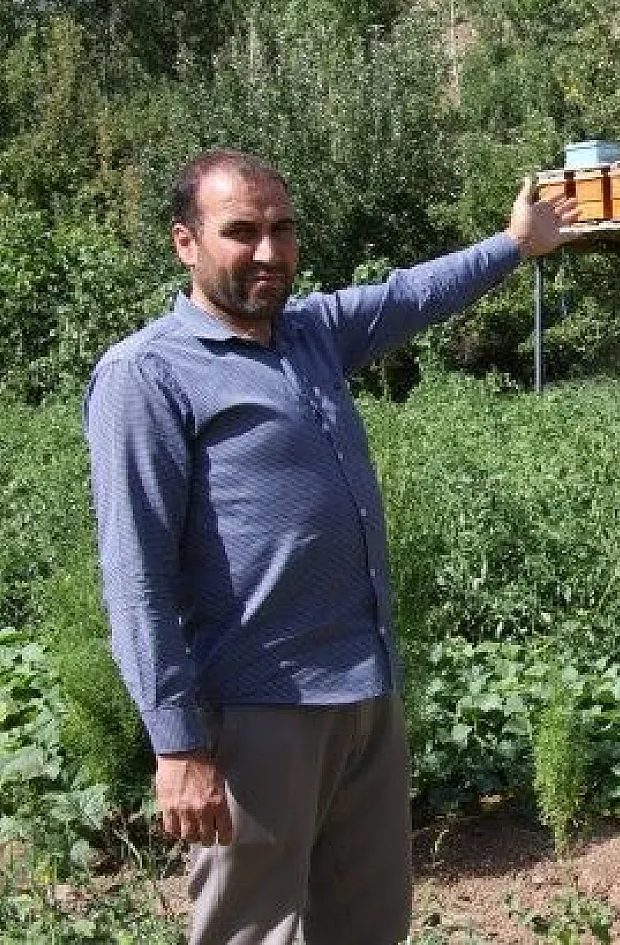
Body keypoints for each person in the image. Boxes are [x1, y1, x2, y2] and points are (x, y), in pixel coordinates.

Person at [83, 149, 579, 945]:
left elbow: (410, 294)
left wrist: (514, 244)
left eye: (282, 228)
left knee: (368, 925)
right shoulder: (147, 376)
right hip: (258, 712)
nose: (269, 252)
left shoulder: (308, 336)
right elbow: (134, 575)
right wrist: (177, 743)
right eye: (240, 232)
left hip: (363, 693)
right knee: (252, 931)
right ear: (186, 243)